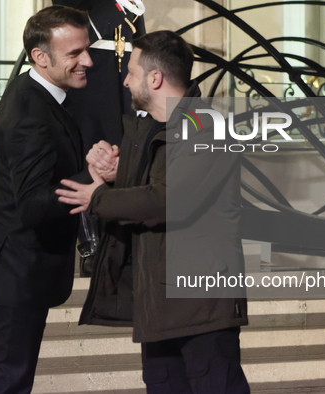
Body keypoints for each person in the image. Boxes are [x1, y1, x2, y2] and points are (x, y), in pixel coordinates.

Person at [56, 31, 250, 393]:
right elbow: (151, 186)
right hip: (158, 303)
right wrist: (114, 176)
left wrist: (98, 197)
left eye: (131, 71)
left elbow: (166, 199)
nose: (125, 80)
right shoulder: (150, 129)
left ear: (155, 78)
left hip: (200, 309)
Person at [0, 6, 92, 393]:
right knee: (7, 378)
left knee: (6, 374)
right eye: (75, 53)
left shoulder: (46, 95)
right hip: (18, 269)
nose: (88, 60)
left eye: (85, 49)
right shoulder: (29, 109)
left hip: (25, 268)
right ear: (40, 57)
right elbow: (34, 205)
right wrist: (95, 178)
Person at [52, 0, 146, 277]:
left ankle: (122, 242)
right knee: (90, 157)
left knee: (124, 155)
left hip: (123, 82)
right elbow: (69, 27)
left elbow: (137, 41)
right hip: (92, 82)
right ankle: (91, 245)